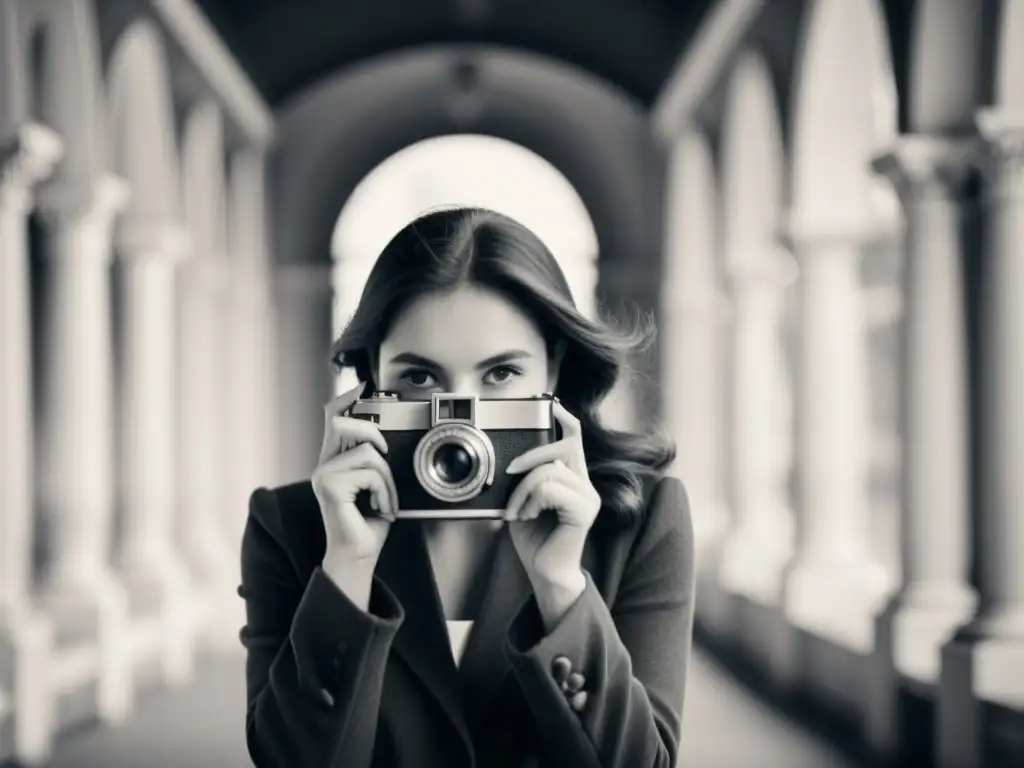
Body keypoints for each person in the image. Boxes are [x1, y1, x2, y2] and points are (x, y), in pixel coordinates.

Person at [238, 206, 696, 767]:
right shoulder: (291, 527)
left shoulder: (639, 520)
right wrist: (347, 572)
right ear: (372, 384)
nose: (459, 422)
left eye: (501, 374)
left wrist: (561, 589)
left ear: (552, 371)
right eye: (420, 378)